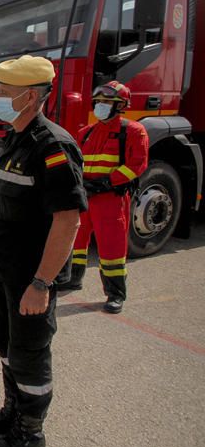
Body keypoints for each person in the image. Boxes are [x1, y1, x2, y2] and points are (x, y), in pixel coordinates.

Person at [0, 55, 87, 447]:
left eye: (2, 91)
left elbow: (67, 220)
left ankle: (30, 435)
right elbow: (7, 205)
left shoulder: (52, 146)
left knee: (31, 353)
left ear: (30, 96)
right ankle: (12, 412)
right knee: (7, 346)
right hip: (4, 270)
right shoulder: (15, 137)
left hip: (30, 279)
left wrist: (42, 283)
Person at [57, 81, 148, 313]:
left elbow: (136, 165)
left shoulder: (133, 131)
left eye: (106, 102)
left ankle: (115, 294)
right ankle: (73, 278)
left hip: (110, 198)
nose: (100, 106)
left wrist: (108, 182)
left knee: (111, 247)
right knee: (77, 240)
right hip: (85, 194)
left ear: (120, 106)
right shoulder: (85, 133)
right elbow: (75, 162)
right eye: (98, 102)